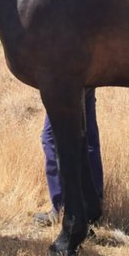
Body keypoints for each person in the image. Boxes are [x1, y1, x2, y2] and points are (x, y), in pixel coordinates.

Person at [33, 88, 104, 226]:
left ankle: (62, 207)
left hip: (65, 79)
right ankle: (93, 204)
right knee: (88, 137)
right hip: (87, 76)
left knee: (51, 138)